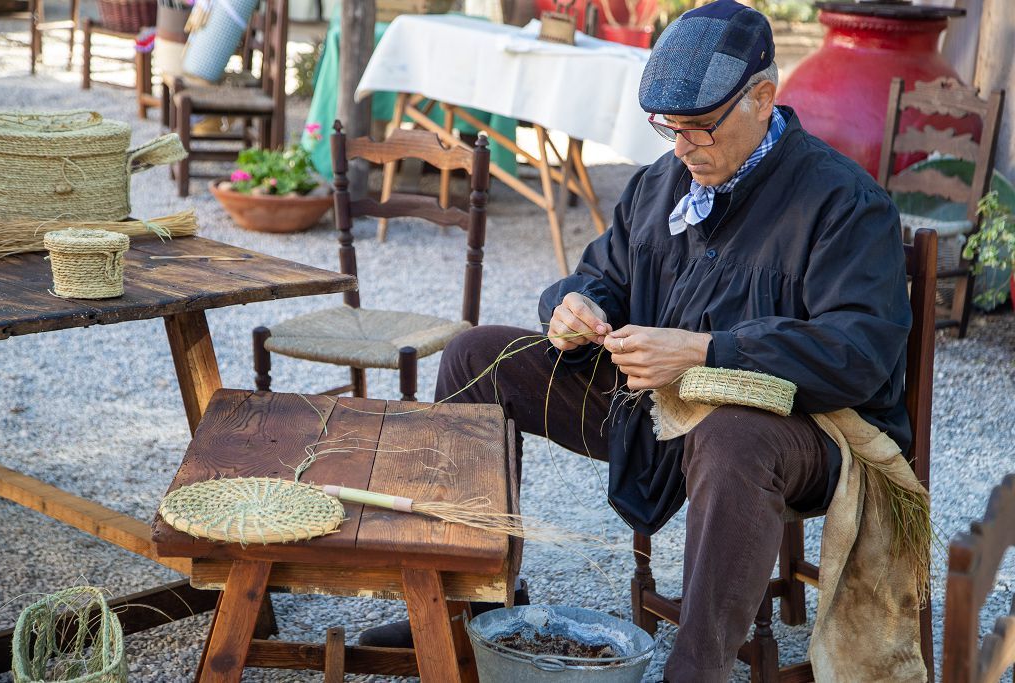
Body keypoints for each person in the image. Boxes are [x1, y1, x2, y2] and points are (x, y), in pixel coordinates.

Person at [362, 1, 912, 679]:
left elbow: (858, 353)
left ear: (763, 98)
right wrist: (575, 305)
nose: (680, 147)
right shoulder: (662, 182)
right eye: (668, 128)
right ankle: (458, 602)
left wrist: (709, 351)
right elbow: (604, 274)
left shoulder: (844, 202)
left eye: (698, 130)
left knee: (732, 432)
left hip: (807, 432)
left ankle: (694, 667)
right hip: (655, 405)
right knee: (475, 357)